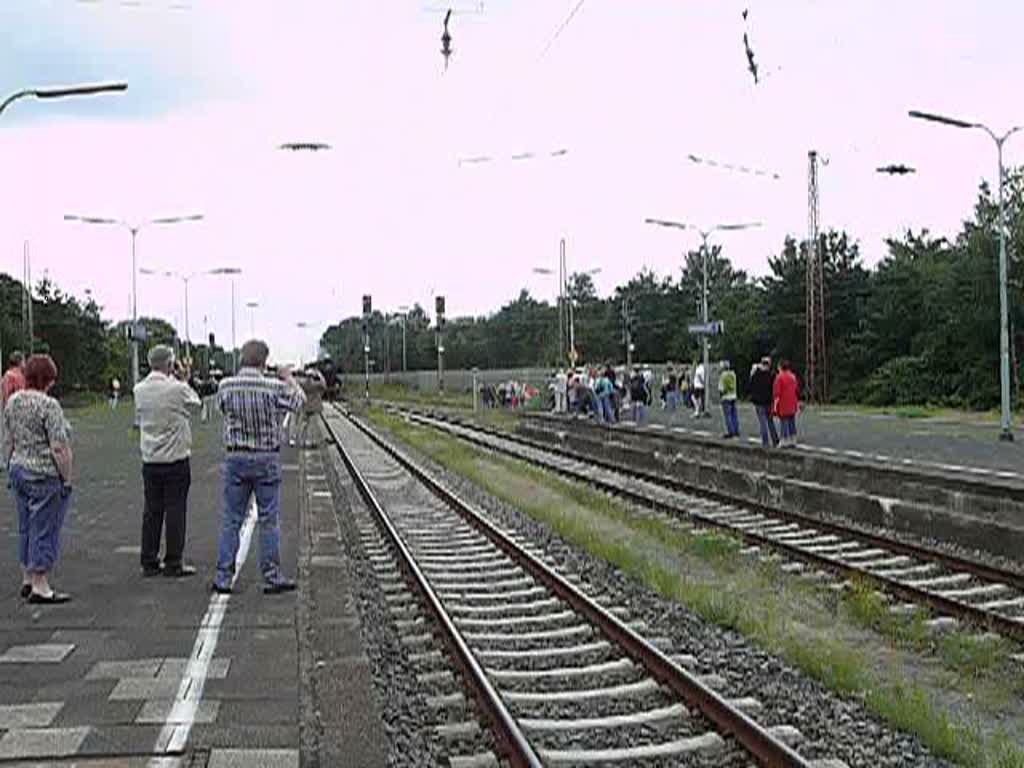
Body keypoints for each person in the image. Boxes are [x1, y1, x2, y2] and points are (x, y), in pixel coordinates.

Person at [213, 339, 305, 595]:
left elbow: (222, 409)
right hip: (266, 458)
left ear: (242, 358)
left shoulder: (226, 386)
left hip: (236, 458)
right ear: (264, 361)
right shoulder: (273, 387)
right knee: (268, 520)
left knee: (232, 518)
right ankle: (272, 576)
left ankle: (223, 577)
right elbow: (300, 403)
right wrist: (289, 378)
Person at [3, 354, 73, 603]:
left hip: (18, 467)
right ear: (49, 379)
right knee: (45, 527)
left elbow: (9, 438)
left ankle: (27, 575)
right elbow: (58, 447)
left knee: (26, 526)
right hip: (43, 473)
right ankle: (41, 584)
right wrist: (67, 477)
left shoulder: (13, 402)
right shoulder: (49, 406)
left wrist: (7, 464)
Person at [134, 346, 203, 578]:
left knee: (151, 511)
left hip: (151, 457)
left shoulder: (139, 389)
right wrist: (184, 380)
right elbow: (196, 405)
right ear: (170, 364)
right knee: (175, 509)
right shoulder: (177, 389)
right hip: (175, 457)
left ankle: (149, 559)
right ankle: (174, 561)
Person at [749, 356, 779, 447]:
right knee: (770, 421)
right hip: (768, 401)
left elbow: (751, 385)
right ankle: (775, 440)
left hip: (758, 401)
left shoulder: (756, 374)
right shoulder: (771, 375)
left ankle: (765, 442)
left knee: (762, 422)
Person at [294, 366, 326, 448]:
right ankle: (311, 442)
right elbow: (324, 385)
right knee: (312, 426)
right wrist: (319, 375)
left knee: (303, 425)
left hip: (304, 406)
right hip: (314, 407)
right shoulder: (316, 384)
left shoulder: (302, 383)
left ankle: (302, 442)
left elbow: (294, 384)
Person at [773, 359, 800, 448]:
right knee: (791, 421)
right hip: (793, 401)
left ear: (780, 367)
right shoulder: (793, 376)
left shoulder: (779, 377)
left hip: (783, 402)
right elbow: (796, 390)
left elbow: (777, 393)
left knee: (784, 421)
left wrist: (775, 406)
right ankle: (793, 439)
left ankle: (784, 440)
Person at [718, 360, 740, 438]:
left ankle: (731, 432)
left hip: (726, 397)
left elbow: (721, 388)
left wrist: (720, 396)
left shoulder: (723, 375)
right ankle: (736, 430)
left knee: (728, 415)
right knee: (734, 414)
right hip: (733, 395)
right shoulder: (733, 374)